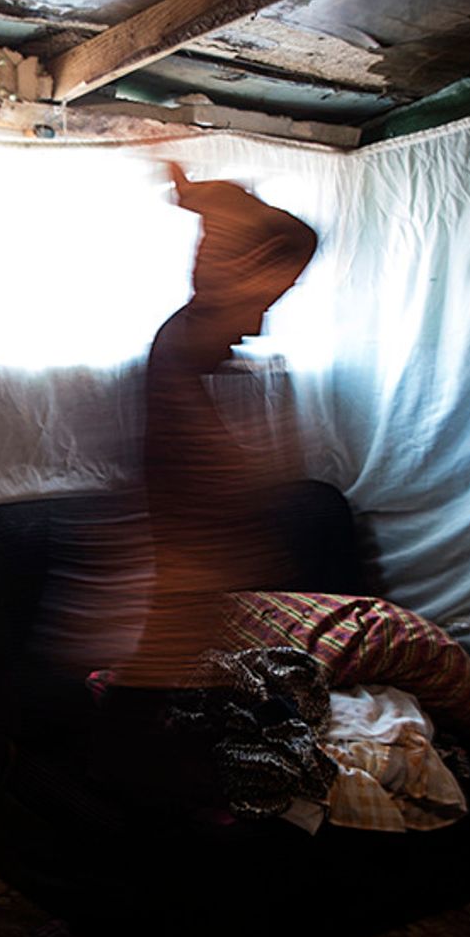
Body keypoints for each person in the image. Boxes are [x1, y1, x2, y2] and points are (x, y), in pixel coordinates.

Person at [116, 161, 319, 687]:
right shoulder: (179, 348)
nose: (256, 328)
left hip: (195, 573)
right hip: (187, 570)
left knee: (175, 657)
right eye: (259, 302)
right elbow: (217, 477)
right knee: (167, 657)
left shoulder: (186, 347)